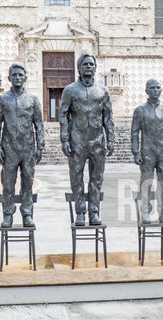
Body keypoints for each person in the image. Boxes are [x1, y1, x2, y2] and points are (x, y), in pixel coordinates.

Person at [59, 53, 115, 226]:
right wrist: (65, 139)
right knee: (76, 177)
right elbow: (63, 115)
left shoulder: (103, 91)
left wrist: (111, 139)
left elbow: (108, 117)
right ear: (79, 68)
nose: (89, 67)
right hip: (77, 140)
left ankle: (94, 211)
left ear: (95, 67)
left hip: (97, 140)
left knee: (96, 178)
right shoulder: (70, 90)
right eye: (85, 64)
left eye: (91, 64)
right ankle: (80, 212)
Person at [0, 63, 45, 228]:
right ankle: (8, 214)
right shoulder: (2, 99)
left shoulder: (33, 100)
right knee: (8, 183)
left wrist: (40, 146)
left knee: (28, 182)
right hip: (9, 147)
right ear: (9, 78)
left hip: (28, 148)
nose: (17, 78)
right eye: (14, 75)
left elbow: (39, 124)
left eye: (21, 75)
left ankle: (27, 213)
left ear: (25, 78)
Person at [131, 79, 163, 224]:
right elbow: (134, 132)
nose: (155, 90)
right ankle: (145, 211)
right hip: (147, 151)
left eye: (158, 87)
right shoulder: (140, 110)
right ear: (146, 91)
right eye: (152, 88)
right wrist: (136, 152)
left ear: (161, 90)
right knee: (146, 182)